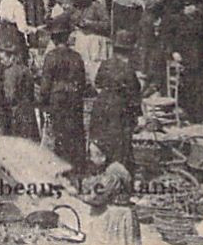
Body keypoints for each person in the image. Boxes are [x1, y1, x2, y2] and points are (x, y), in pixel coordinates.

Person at [38, 16, 89, 175]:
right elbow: (82, 83)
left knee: (58, 134)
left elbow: (45, 86)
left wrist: (42, 101)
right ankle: (76, 166)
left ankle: (60, 167)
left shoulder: (51, 57)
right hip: (74, 99)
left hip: (57, 99)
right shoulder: (76, 57)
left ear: (53, 37)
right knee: (75, 132)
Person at [91, 28, 142, 176]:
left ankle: (102, 168)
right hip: (119, 108)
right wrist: (137, 116)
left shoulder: (105, 64)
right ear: (129, 51)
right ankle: (118, 171)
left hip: (101, 105)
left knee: (102, 138)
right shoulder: (128, 70)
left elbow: (98, 83)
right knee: (120, 141)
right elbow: (134, 95)